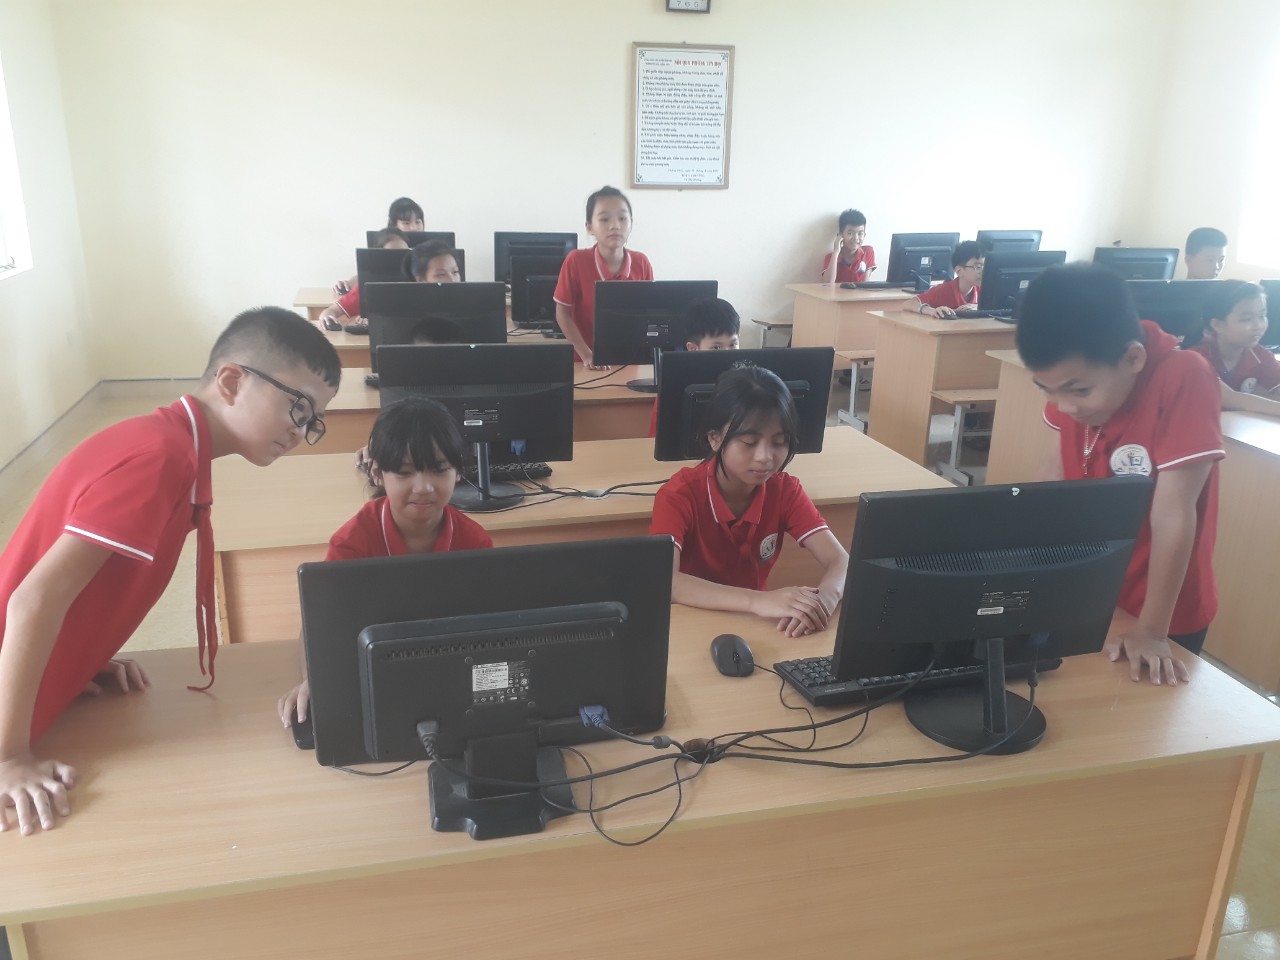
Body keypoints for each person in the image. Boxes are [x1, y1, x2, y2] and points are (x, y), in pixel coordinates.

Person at [0, 308, 341, 835]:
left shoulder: (172, 445)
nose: (300, 431)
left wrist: (80, 652)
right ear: (232, 381)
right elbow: (32, 600)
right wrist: (9, 758)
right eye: (298, 407)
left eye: (312, 420)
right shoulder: (161, 456)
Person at [1016, 263, 1224, 685]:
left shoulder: (1184, 375)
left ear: (1133, 358)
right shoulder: (1078, 380)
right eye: (1047, 390)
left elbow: (1173, 513)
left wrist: (1152, 630)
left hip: (1159, 608)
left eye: (1079, 390)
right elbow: (1052, 476)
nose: (1065, 406)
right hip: (1087, 589)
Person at [278, 397, 492, 727]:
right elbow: (320, 625)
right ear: (378, 473)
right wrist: (315, 679)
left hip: (448, 677)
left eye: (439, 470)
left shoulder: (474, 541)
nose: (424, 487)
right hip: (375, 677)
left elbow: (489, 625)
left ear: (458, 472)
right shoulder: (352, 542)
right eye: (404, 472)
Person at [649, 364, 849, 638]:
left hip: (756, 625)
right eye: (749, 442)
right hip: (691, 625)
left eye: (779, 442)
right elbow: (666, 582)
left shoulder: (784, 490)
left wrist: (824, 600)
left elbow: (841, 560)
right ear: (715, 439)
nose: (765, 457)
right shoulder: (678, 495)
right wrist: (758, 601)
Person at [554, 185, 654, 369]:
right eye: (604, 219)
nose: (615, 225)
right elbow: (562, 313)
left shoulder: (642, 263)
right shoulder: (576, 261)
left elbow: (649, 315)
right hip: (585, 363)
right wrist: (586, 354)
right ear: (589, 227)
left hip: (631, 362)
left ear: (631, 223)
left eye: (622, 218)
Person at [324, 240, 461, 335]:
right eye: (441, 274)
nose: (452, 280)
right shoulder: (400, 308)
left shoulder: (465, 302)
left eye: (455, 272)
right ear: (420, 279)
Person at [649, 297, 741, 437]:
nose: (727, 354)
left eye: (733, 345)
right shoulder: (673, 387)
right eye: (716, 348)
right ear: (693, 349)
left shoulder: (747, 383)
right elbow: (655, 440)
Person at [1187, 280, 1280, 416]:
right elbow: (1229, 398)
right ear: (1217, 325)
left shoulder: (1259, 354)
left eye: (1262, 316)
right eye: (1247, 319)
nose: (1258, 325)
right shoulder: (1195, 358)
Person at [322, 229, 410, 330]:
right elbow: (331, 311)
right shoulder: (366, 289)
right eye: (392, 255)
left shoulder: (419, 283)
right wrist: (327, 317)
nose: (399, 260)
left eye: (404, 254)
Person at [902, 240, 984, 318]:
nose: (983, 271)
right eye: (978, 266)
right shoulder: (944, 290)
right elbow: (908, 304)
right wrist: (932, 311)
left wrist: (979, 307)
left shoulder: (984, 290)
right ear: (959, 271)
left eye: (985, 266)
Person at [820, 208, 876, 283]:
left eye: (860, 233)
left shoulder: (868, 252)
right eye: (850, 233)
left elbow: (866, 284)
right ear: (840, 236)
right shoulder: (830, 257)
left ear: (864, 235)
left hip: (860, 291)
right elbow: (828, 283)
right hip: (838, 291)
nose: (856, 238)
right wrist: (836, 252)